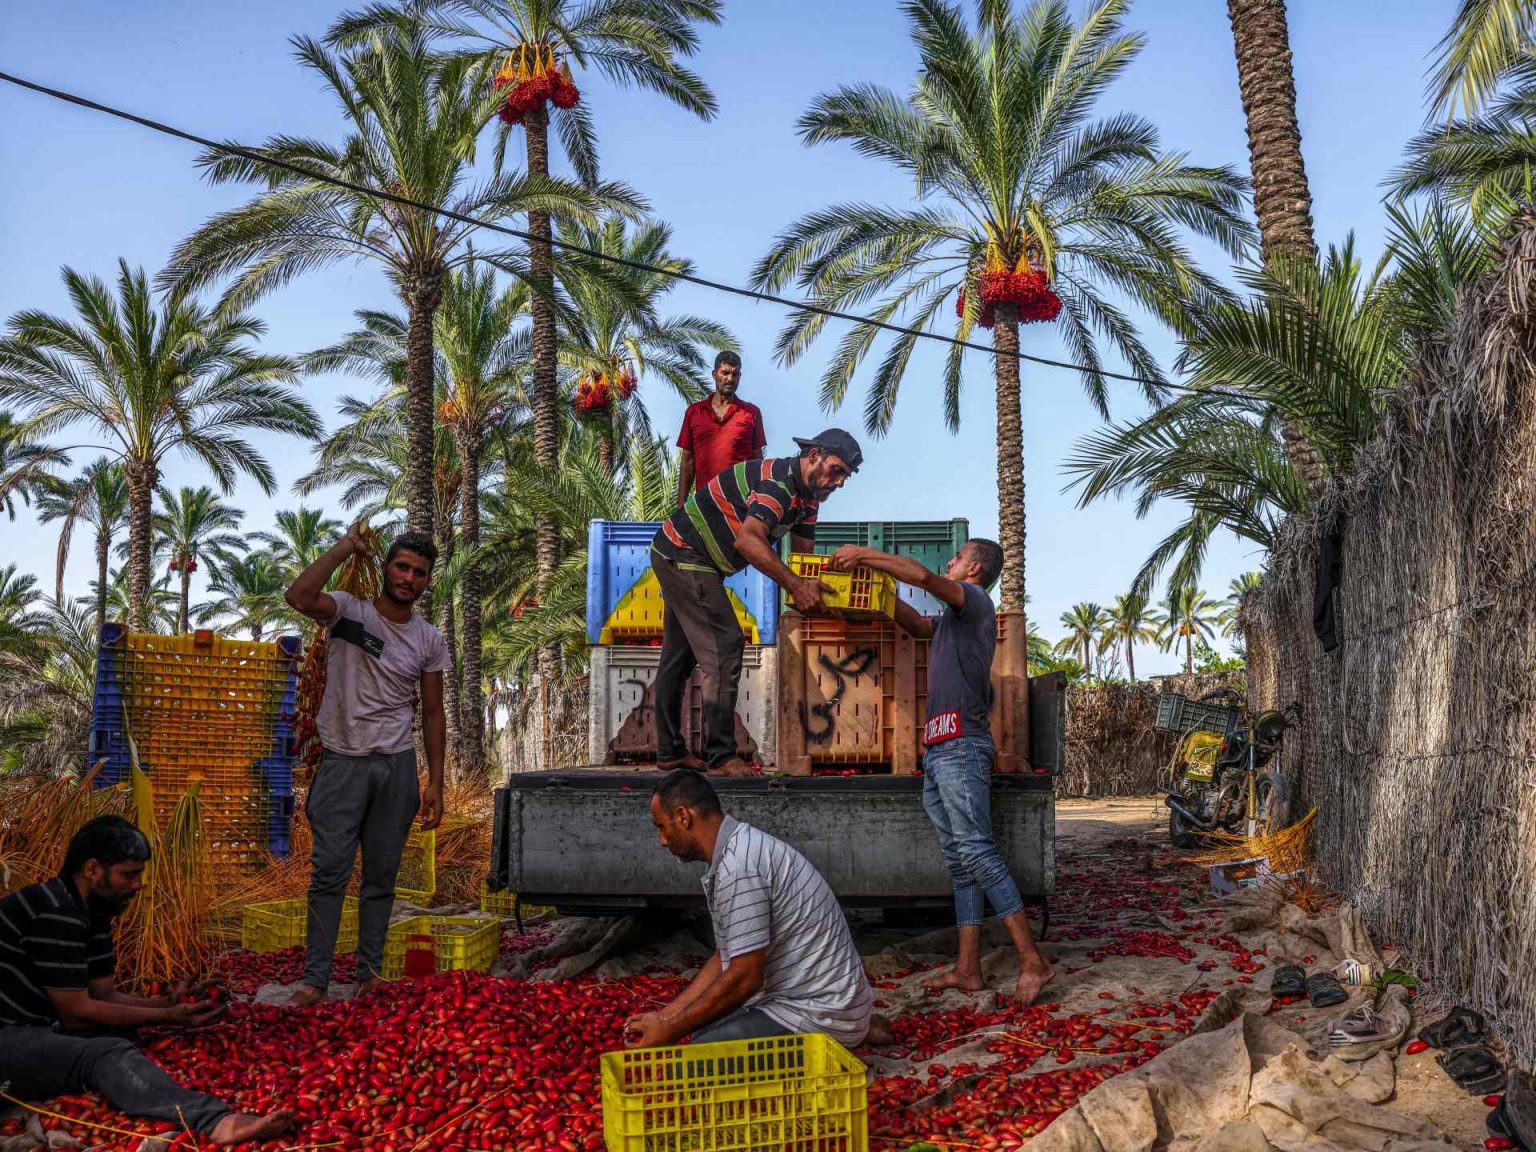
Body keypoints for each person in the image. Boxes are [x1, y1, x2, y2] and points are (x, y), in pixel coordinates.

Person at [829, 539, 1055, 1005]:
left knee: (977, 851)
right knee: (961, 862)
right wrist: (875, 592)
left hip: (961, 748)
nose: (947, 564)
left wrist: (864, 555)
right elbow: (914, 623)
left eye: (955, 559)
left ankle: (1033, 960)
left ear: (973, 568)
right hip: (940, 749)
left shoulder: (973, 598)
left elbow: (926, 580)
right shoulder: (955, 621)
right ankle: (967, 968)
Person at [0, 816, 295, 1145]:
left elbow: (105, 995)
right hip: (7, 1038)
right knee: (106, 1053)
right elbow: (76, 1012)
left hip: (32, 1030)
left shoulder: (92, 911)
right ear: (93, 869)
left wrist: (169, 1004)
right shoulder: (55, 912)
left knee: (123, 1031)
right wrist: (168, 1016)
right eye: (129, 874)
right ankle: (216, 1121)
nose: (139, 885)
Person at [284, 524, 449, 1006]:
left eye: (419, 573)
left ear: (426, 581)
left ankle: (369, 973)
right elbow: (298, 595)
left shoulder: (428, 639)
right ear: (385, 567)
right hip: (343, 763)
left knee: (382, 877)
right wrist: (343, 547)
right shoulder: (346, 612)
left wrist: (434, 781)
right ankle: (315, 981)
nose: (410, 578)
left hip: (395, 767)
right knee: (329, 873)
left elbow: (434, 711)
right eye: (402, 566)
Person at [650, 429, 862, 774]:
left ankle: (670, 752)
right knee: (725, 643)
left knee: (679, 655)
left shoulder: (808, 500)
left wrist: (817, 593)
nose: (839, 482)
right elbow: (748, 542)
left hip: (689, 558)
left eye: (846, 477)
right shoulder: (777, 485)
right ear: (814, 456)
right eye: (836, 470)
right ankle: (720, 754)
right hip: (683, 553)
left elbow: (802, 561)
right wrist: (796, 586)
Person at [624, 770, 873, 1048]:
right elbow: (725, 958)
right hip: (808, 998)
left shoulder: (740, 867)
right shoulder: (734, 852)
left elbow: (746, 977)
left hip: (818, 1011)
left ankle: (847, 1032)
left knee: (697, 1056)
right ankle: (860, 1026)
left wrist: (671, 1029)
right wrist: (666, 1017)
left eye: (662, 827)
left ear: (683, 817)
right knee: (697, 1030)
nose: (662, 840)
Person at [675, 351, 765, 507]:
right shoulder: (694, 412)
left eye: (735, 374)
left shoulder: (751, 413)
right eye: (725, 373)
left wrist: (759, 500)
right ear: (714, 374)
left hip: (741, 504)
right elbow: (688, 462)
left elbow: (757, 462)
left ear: (739, 377)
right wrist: (681, 503)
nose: (730, 379)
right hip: (705, 504)